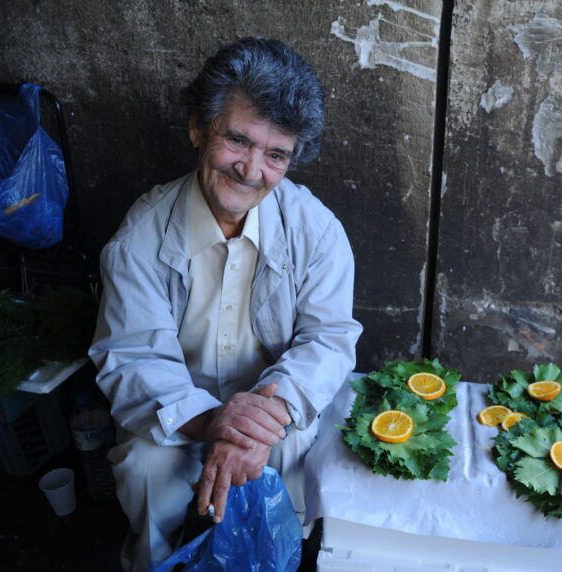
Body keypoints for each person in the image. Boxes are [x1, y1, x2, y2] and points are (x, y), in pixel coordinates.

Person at [88, 37, 362, 571]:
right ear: (198, 128)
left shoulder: (317, 231)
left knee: (288, 456)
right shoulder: (139, 239)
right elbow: (132, 360)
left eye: (276, 154)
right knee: (147, 471)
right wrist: (213, 421)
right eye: (237, 140)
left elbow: (329, 339)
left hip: (273, 414)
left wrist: (263, 418)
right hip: (175, 413)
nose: (251, 170)